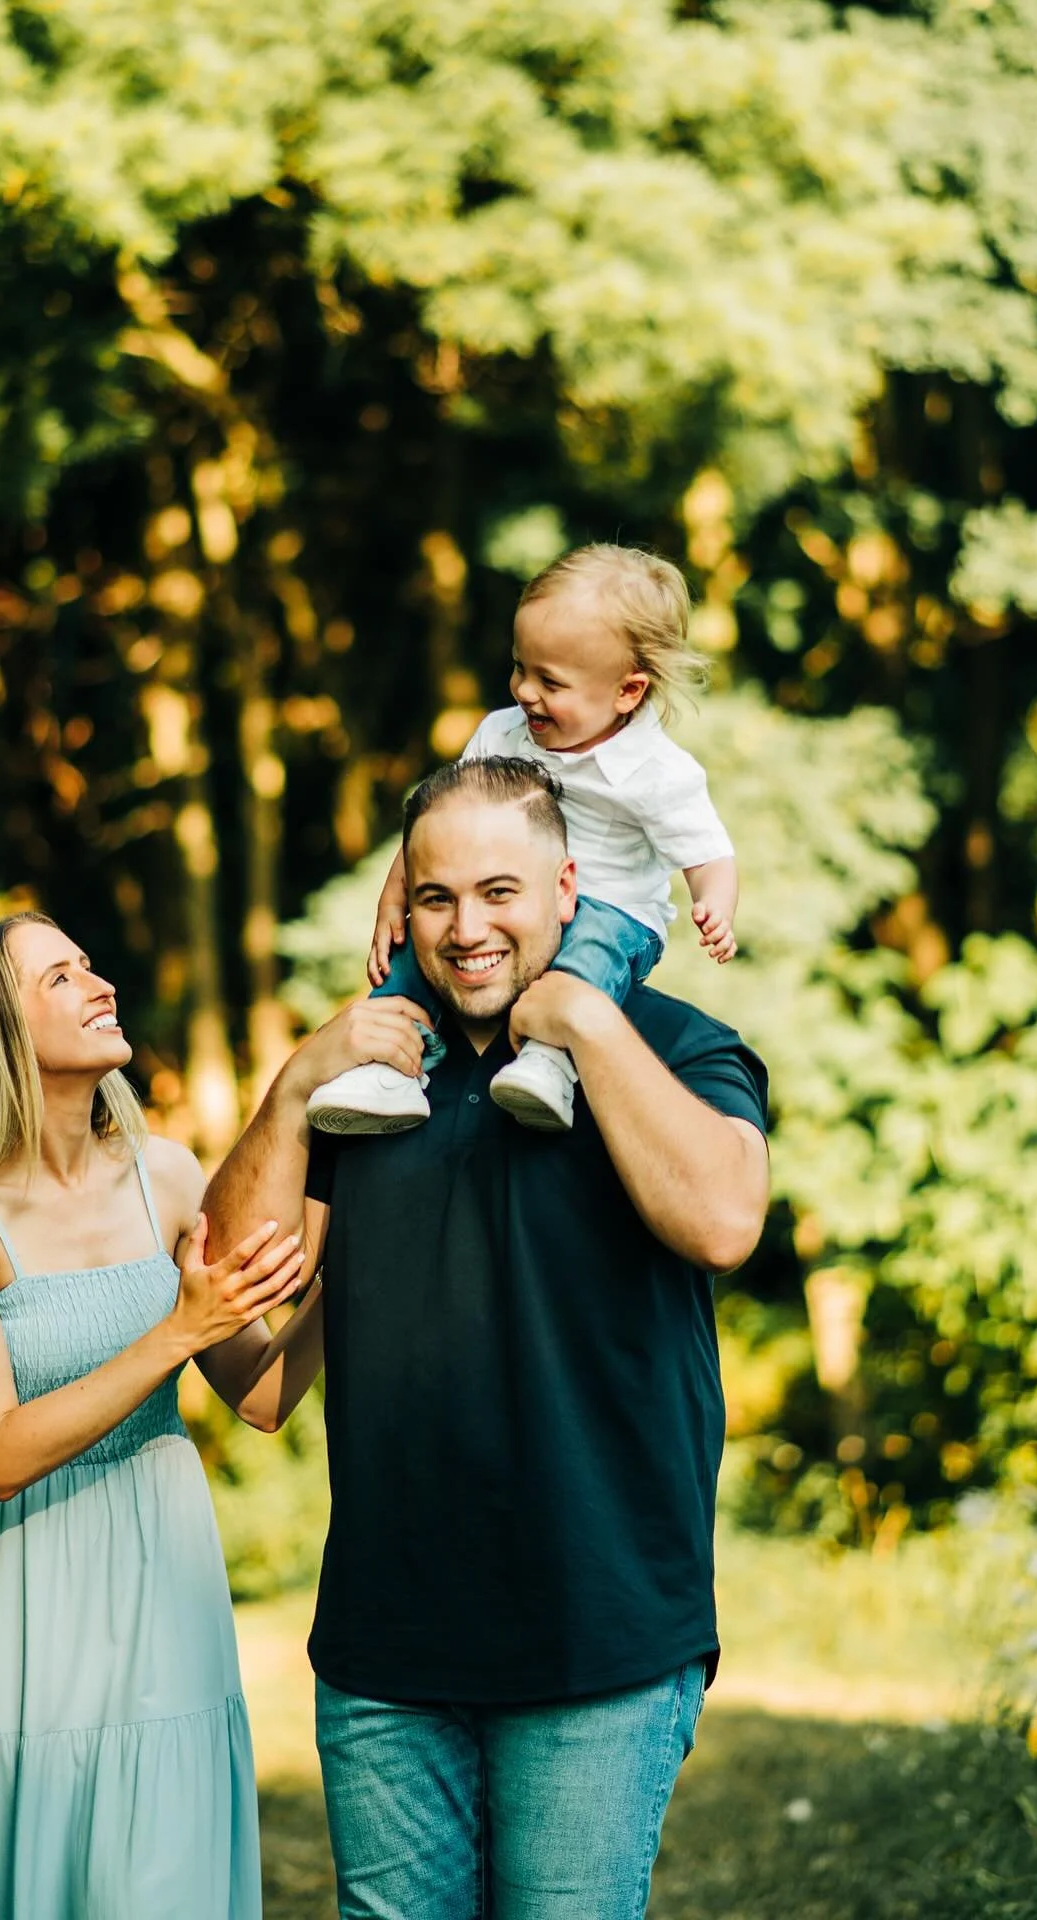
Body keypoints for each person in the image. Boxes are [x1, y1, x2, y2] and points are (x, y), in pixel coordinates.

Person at [203, 758, 769, 1920]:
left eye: (500, 893)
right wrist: (304, 1073)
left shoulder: (675, 1045)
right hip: (387, 1648)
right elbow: (227, 1300)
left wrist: (586, 1024)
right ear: (400, 909)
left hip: (598, 1636)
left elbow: (721, 1221)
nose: (469, 930)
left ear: (570, 888)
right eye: (436, 898)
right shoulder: (370, 1085)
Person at [0, 912, 325, 1920]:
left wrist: (343, 1276)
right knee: (10, 1856)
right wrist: (176, 1331)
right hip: (10, 1575)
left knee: (157, 1862)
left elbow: (259, 1395)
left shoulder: (163, 1175)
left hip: (158, 1557)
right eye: (61, 977)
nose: (101, 983)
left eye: (90, 962)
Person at [306, 543, 738, 1136]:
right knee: (414, 956)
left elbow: (709, 855)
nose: (524, 692)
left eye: (550, 682)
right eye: (519, 667)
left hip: (614, 911)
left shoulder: (659, 772)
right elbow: (442, 821)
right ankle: (389, 1069)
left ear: (627, 692)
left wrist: (714, 904)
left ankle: (550, 1063)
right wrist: (395, 897)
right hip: (501, 900)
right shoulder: (501, 733)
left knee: (590, 949)